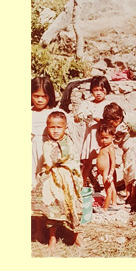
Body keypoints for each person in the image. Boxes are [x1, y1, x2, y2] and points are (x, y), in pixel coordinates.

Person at [31, 111, 83, 251]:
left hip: (68, 181)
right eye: (52, 127)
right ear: (47, 127)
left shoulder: (70, 143)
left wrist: (73, 174)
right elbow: (49, 162)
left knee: (73, 207)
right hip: (53, 182)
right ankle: (52, 237)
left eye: (59, 127)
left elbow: (73, 160)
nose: (55, 130)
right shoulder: (47, 145)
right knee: (53, 208)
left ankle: (76, 234)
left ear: (65, 128)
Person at [82, 121, 119, 212]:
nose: (104, 140)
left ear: (113, 137)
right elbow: (103, 161)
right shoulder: (103, 147)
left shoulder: (110, 148)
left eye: (106, 138)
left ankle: (105, 208)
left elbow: (113, 161)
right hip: (103, 172)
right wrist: (98, 171)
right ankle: (114, 204)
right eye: (102, 138)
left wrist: (111, 173)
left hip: (107, 173)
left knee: (108, 190)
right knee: (112, 188)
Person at [31, 76, 58, 186]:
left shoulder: (56, 114)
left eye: (44, 96)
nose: (40, 100)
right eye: (36, 96)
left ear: (50, 96)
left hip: (49, 151)